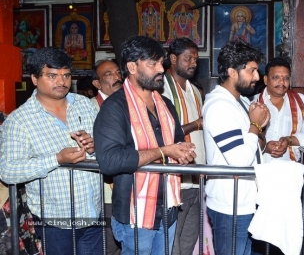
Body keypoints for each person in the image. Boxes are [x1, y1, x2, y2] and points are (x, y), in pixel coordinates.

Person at [93, 35, 197, 255]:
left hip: (168, 209)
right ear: (132, 67)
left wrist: (182, 154)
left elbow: (178, 140)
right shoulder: (115, 107)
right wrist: (163, 152)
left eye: (161, 62)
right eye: (153, 64)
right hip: (135, 214)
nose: (161, 69)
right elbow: (110, 161)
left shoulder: (165, 103)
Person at [0, 47, 101, 255]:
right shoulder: (20, 120)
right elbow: (8, 171)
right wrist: (56, 159)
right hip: (55, 221)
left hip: (93, 213)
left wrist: (95, 146)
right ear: (35, 79)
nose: (61, 82)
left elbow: (104, 148)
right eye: (52, 76)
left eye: (66, 75)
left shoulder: (84, 105)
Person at [202, 39, 270, 255]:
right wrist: (255, 124)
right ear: (232, 72)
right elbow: (239, 161)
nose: (257, 77)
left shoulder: (238, 101)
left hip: (245, 201)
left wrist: (259, 127)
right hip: (230, 205)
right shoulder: (219, 106)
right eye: (251, 71)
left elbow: (253, 145)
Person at [162, 37, 205, 255]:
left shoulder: (194, 90)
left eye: (195, 59)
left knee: (190, 238)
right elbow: (164, 130)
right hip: (177, 179)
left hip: (197, 178)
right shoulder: (162, 90)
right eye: (187, 58)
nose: (193, 63)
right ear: (172, 58)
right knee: (173, 239)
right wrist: (198, 124)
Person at [253, 57, 304, 163]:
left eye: (286, 78)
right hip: (259, 167)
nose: (282, 82)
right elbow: (245, 138)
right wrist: (264, 147)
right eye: (276, 77)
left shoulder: (301, 101)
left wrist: (289, 140)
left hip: (290, 168)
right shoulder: (253, 103)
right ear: (265, 80)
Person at [91, 59, 123, 255]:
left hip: (129, 187)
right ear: (97, 83)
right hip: (105, 192)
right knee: (108, 245)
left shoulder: (131, 103)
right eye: (109, 74)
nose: (117, 77)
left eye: (118, 72)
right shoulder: (89, 107)